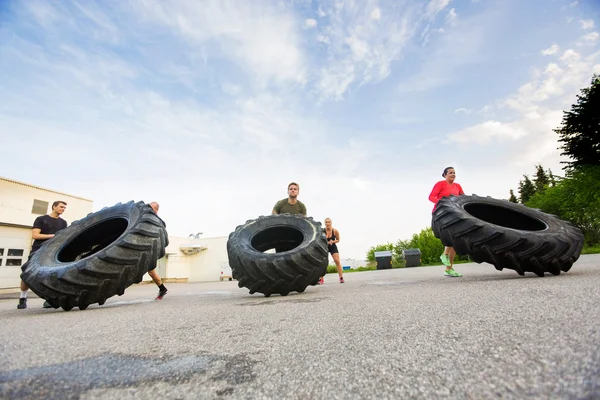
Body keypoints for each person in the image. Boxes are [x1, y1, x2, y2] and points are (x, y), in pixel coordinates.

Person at [18, 200, 68, 309]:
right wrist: (53, 236)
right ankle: (22, 298)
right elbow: (35, 235)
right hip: (37, 251)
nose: (63, 209)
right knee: (27, 274)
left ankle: (50, 299)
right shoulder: (41, 219)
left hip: (53, 252)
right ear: (54, 207)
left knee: (53, 275)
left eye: (64, 208)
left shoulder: (63, 223)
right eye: (61, 207)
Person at [429, 167, 465, 277]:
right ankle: (444, 255)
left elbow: (463, 198)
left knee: (454, 241)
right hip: (441, 214)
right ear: (445, 175)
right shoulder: (440, 184)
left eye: (454, 173)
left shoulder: (457, 186)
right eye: (450, 173)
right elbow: (431, 197)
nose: (453, 174)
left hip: (454, 214)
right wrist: (444, 203)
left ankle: (449, 269)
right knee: (451, 236)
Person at [148, 201, 168, 300]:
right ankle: (162, 288)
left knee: (150, 270)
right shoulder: (146, 218)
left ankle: (162, 288)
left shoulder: (157, 221)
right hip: (146, 246)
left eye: (151, 208)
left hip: (151, 247)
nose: (149, 209)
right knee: (150, 271)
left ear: (156, 209)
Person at [319, 218, 345, 284]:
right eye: (326, 222)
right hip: (325, 246)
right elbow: (319, 240)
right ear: (324, 223)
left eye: (329, 222)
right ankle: (321, 279)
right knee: (323, 262)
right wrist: (326, 242)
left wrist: (333, 241)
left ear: (331, 223)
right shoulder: (322, 231)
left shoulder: (335, 231)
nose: (328, 223)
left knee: (337, 261)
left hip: (332, 246)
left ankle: (341, 277)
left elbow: (338, 240)